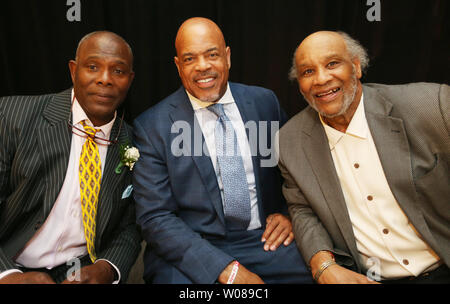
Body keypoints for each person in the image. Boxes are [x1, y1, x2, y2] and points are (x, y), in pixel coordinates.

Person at [133, 17, 311, 284]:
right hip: (191, 249)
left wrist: (288, 213)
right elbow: (155, 217)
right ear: (178, 66)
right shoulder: (152, 126)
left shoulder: (263, 103)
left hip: (262, 240)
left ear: (227, 57)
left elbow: (296, 172)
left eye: (212, 55)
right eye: (190, 59)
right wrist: (226, 270)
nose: (203, 66)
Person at [279, 30, 450, 284]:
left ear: (356, 67)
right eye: (308, 72)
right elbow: (303, 210)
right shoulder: (289, 142)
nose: (321, 79)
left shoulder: (431, 105)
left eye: (332, 64)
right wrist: (323, 266)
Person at [0, 31, 141, 284]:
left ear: (130, 80)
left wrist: (106, 269)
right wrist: (8, 275)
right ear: (73, 70)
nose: (105, 80)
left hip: (81, 270)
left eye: (118, 71)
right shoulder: (12, 117)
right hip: (10, 264)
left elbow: (128, 226)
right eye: (93, 67)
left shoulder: (133, 143)